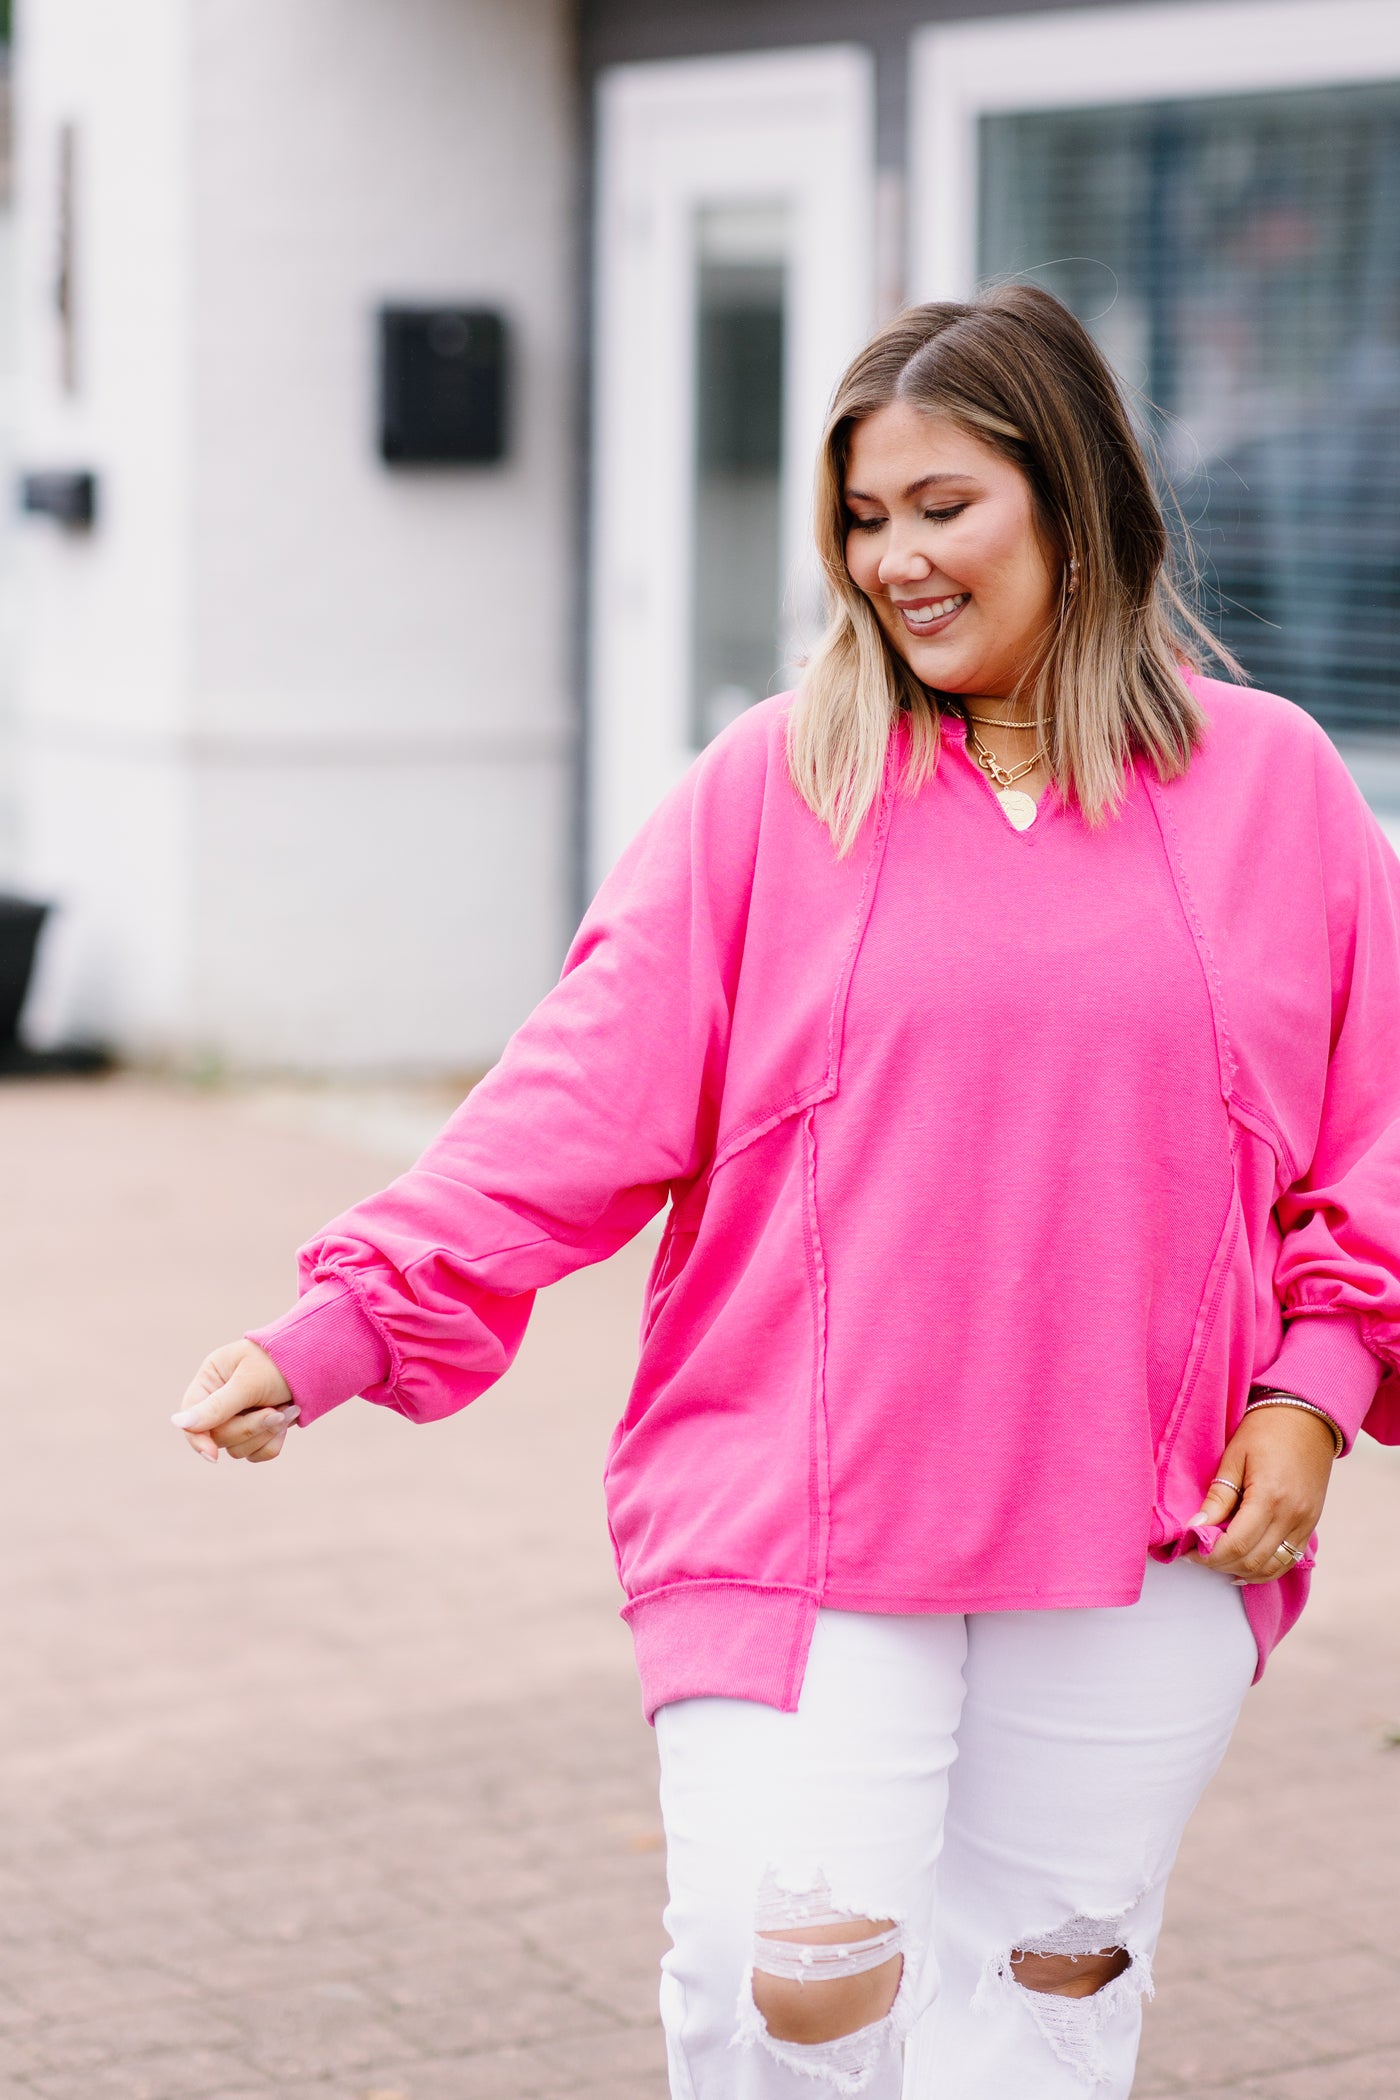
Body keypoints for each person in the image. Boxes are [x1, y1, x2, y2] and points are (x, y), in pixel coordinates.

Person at [172, 285, 1400, 2099]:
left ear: (1076, 500)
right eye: (862, 516)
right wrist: (344, 1323)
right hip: (808, 1507)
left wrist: (1315, 1394)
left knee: (1054, 1995)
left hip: (1148, 1520)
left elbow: (1370, 1141)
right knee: (790, 1981)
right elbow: (576, 1096)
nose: (893, 558)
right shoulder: (775, 788)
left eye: (942, 505)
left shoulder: (1272, 787)